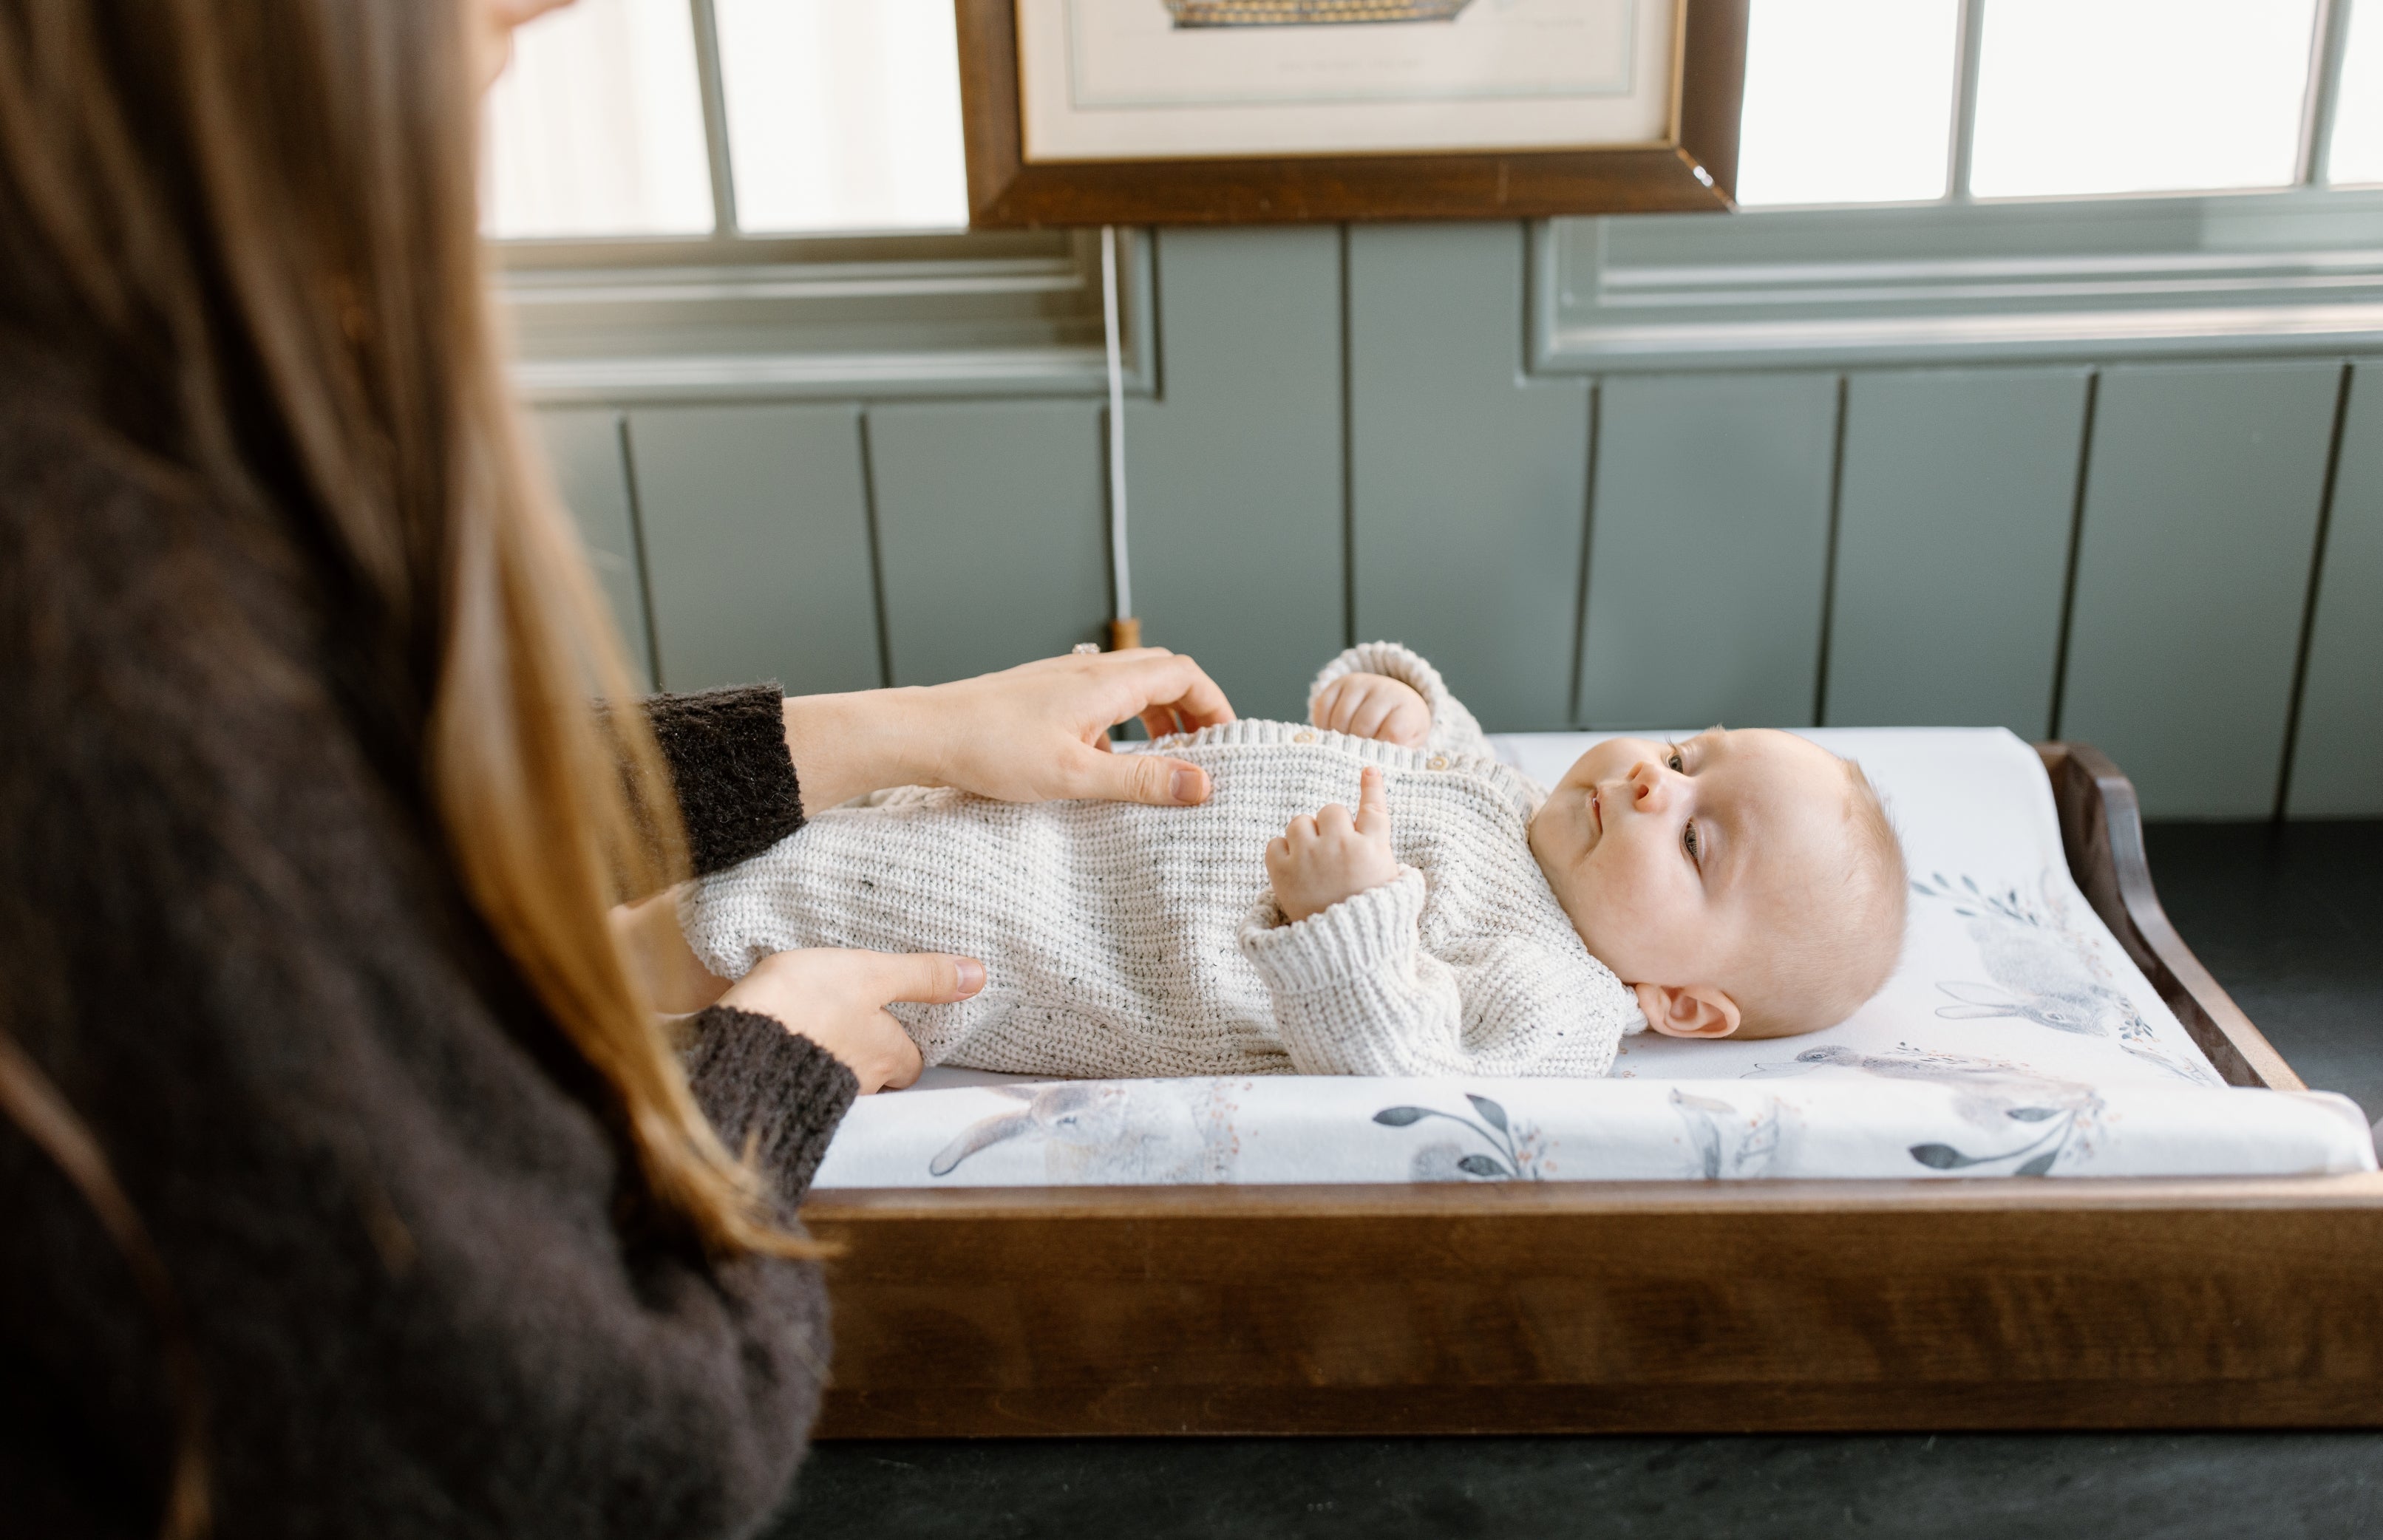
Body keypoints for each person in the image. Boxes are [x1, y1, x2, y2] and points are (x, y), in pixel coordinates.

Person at [0, 1, 1232, 1536]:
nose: (528, 39)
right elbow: (627, 1451)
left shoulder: (99, 486)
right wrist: (774, 1061)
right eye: (485, 39)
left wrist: (910, 727)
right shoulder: (125, 655)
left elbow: (403, 814)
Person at [662, 641, 1908, 1082]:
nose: (1655, 780)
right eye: (1689, 751)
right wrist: (1392, 703)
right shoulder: (1520, 803)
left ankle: (583, 976)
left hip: (1072, 937)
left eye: (1695, 838)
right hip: (1054, 820)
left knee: (788, 902)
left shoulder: (1564, 997)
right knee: (842, 809)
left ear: (1685, 1005)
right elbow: (1436, 739)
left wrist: (1353, 925)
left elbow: (1416, 1070)